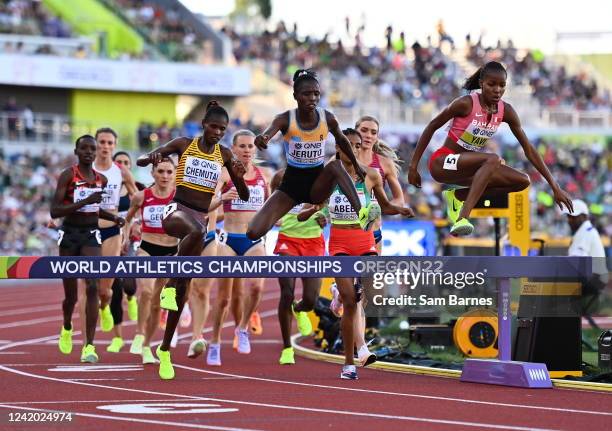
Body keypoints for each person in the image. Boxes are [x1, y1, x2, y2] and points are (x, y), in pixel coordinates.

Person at [136, 100, 249, 380]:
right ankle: (171, 286)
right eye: (214, 126)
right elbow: (150, 156)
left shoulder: (224, 153)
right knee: (197, 233)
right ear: (203, 125)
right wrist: (152, 156)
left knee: (183, 287)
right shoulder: (185, 143)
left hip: (198, 221)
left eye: (223, 129)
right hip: (175, 213)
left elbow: (244, 194)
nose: (218, 132)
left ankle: (164, 350)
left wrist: (239, 176)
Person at [408, 61, 573, 236]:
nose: (497, 90)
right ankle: (463, 217)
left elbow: (529, 150)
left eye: (502, 85)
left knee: (522, 181)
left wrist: (555, 187)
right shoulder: (465, 103)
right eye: (491, 84)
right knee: (493, 159)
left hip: (469, 171)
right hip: (442, 163)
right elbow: (432, 126)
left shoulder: (506, 111)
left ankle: (458, 197)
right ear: (481, 84)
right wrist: (413, 167)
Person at [300, 128, 414, 379]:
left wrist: (400, 209)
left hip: (365, 242)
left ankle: (339, 296)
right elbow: (314, 205)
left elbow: (384, 205)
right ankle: (350, 363)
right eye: (347, 144)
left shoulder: (372, 175)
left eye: (356, 144)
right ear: (339, 148)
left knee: (372, 292)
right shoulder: (329, 176)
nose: (352, 149)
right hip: (340, 244)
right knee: (352, 303)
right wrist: (312, 212)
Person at [246, 69, 376, 242]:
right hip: (291, 185)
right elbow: (267, 134)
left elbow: (343, 141)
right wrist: (262, 139)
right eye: (307, 94)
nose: (313, 98)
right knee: (253, 232)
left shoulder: (327, 118)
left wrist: (356, 164)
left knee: (336, 165)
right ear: (295, 96)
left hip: (317, 184)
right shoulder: (285, 119)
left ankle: (362, 212)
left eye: (316, 94)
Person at [51, 135, 125, 363]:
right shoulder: (68, 175)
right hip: (70, 235)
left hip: (91, 235)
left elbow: (94, 208)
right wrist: (84, 201)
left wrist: (112, 217)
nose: (89, 152)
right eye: (84, 148)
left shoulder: (101, 179)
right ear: (76, 150)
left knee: (93, 286)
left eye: (92, 149)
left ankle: (89, 346)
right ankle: (66, 325)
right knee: (71, 296)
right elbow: (55, 211)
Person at [205, 130, 273, 365]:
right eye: (242, 146)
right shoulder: (224, 174)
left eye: (250, 146)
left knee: (256, 286)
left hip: (254, 240)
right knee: (223, 299)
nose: (246, 150)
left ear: (255, 149)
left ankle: (242, 328)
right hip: (229, 240)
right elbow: (208, 205)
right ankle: (214, 341)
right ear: (233, 149)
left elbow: (271, 208)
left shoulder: (264, 175)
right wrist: (224, 198)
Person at [125, 158, 178, 364]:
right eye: (161, 171)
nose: (165, 176)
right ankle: (139, 334)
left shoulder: (179, 198)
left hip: (170, 251)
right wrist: (125, 235)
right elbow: (128, 218)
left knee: (157, 304)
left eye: (169, 172)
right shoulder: (141, 196)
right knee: (146, 292)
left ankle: (147, 346)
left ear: (174, 174)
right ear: (153, 174)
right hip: (147, 248)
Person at [272, 168, 326, 365]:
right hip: (288, 239)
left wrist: (324, 218)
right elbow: (271, 203)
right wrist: (274, 217)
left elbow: (327, 208)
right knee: (287, 293)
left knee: (311, 299)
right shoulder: (280, 176)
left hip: (314, 242)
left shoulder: (323, 178)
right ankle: (287, 347)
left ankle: (300, 308)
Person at [92, 128, 138, 333]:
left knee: (105, 290)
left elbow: (138, 199)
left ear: (115, 145)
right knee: (90, 287)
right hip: (88, 230)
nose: (105, 146)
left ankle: (104, 307)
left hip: (112, 231)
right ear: (95, 144)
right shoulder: (84, 169)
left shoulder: (121, 171)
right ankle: (88, 338)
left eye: (110, 143)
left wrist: (132, 222)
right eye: (102, 142)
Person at [105, 151, 142, 353]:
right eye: (118, 162)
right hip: (110, 240)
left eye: (126, 162)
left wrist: (134, 229)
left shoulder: (134, 191)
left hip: (130, 242)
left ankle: (132, 296)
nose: (122, 165)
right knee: (113, 291)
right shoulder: (106, 188)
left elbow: (143, 211)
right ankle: (117, 338)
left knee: (128, 282)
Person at [355, 115, 404, 252]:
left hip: (373, 232)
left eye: (373, 132)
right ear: (355, 132)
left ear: (377, 136)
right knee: (346, 274)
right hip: (345, 232)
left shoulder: (385, 163)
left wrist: (379, 208)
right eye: (364, 130)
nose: (368, 135)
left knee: (370, 273)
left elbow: (399, 200)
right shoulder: (340, 159)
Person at [563, 199, 608, 327]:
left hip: (593, 279)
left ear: (584, 216)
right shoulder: (586, 231)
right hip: (595, 278)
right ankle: (568, 328)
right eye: (568, 216)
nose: (569, 220)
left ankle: (566, 329)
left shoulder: (585, 232)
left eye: (573, 217)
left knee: (554, 291)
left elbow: (577, 261)